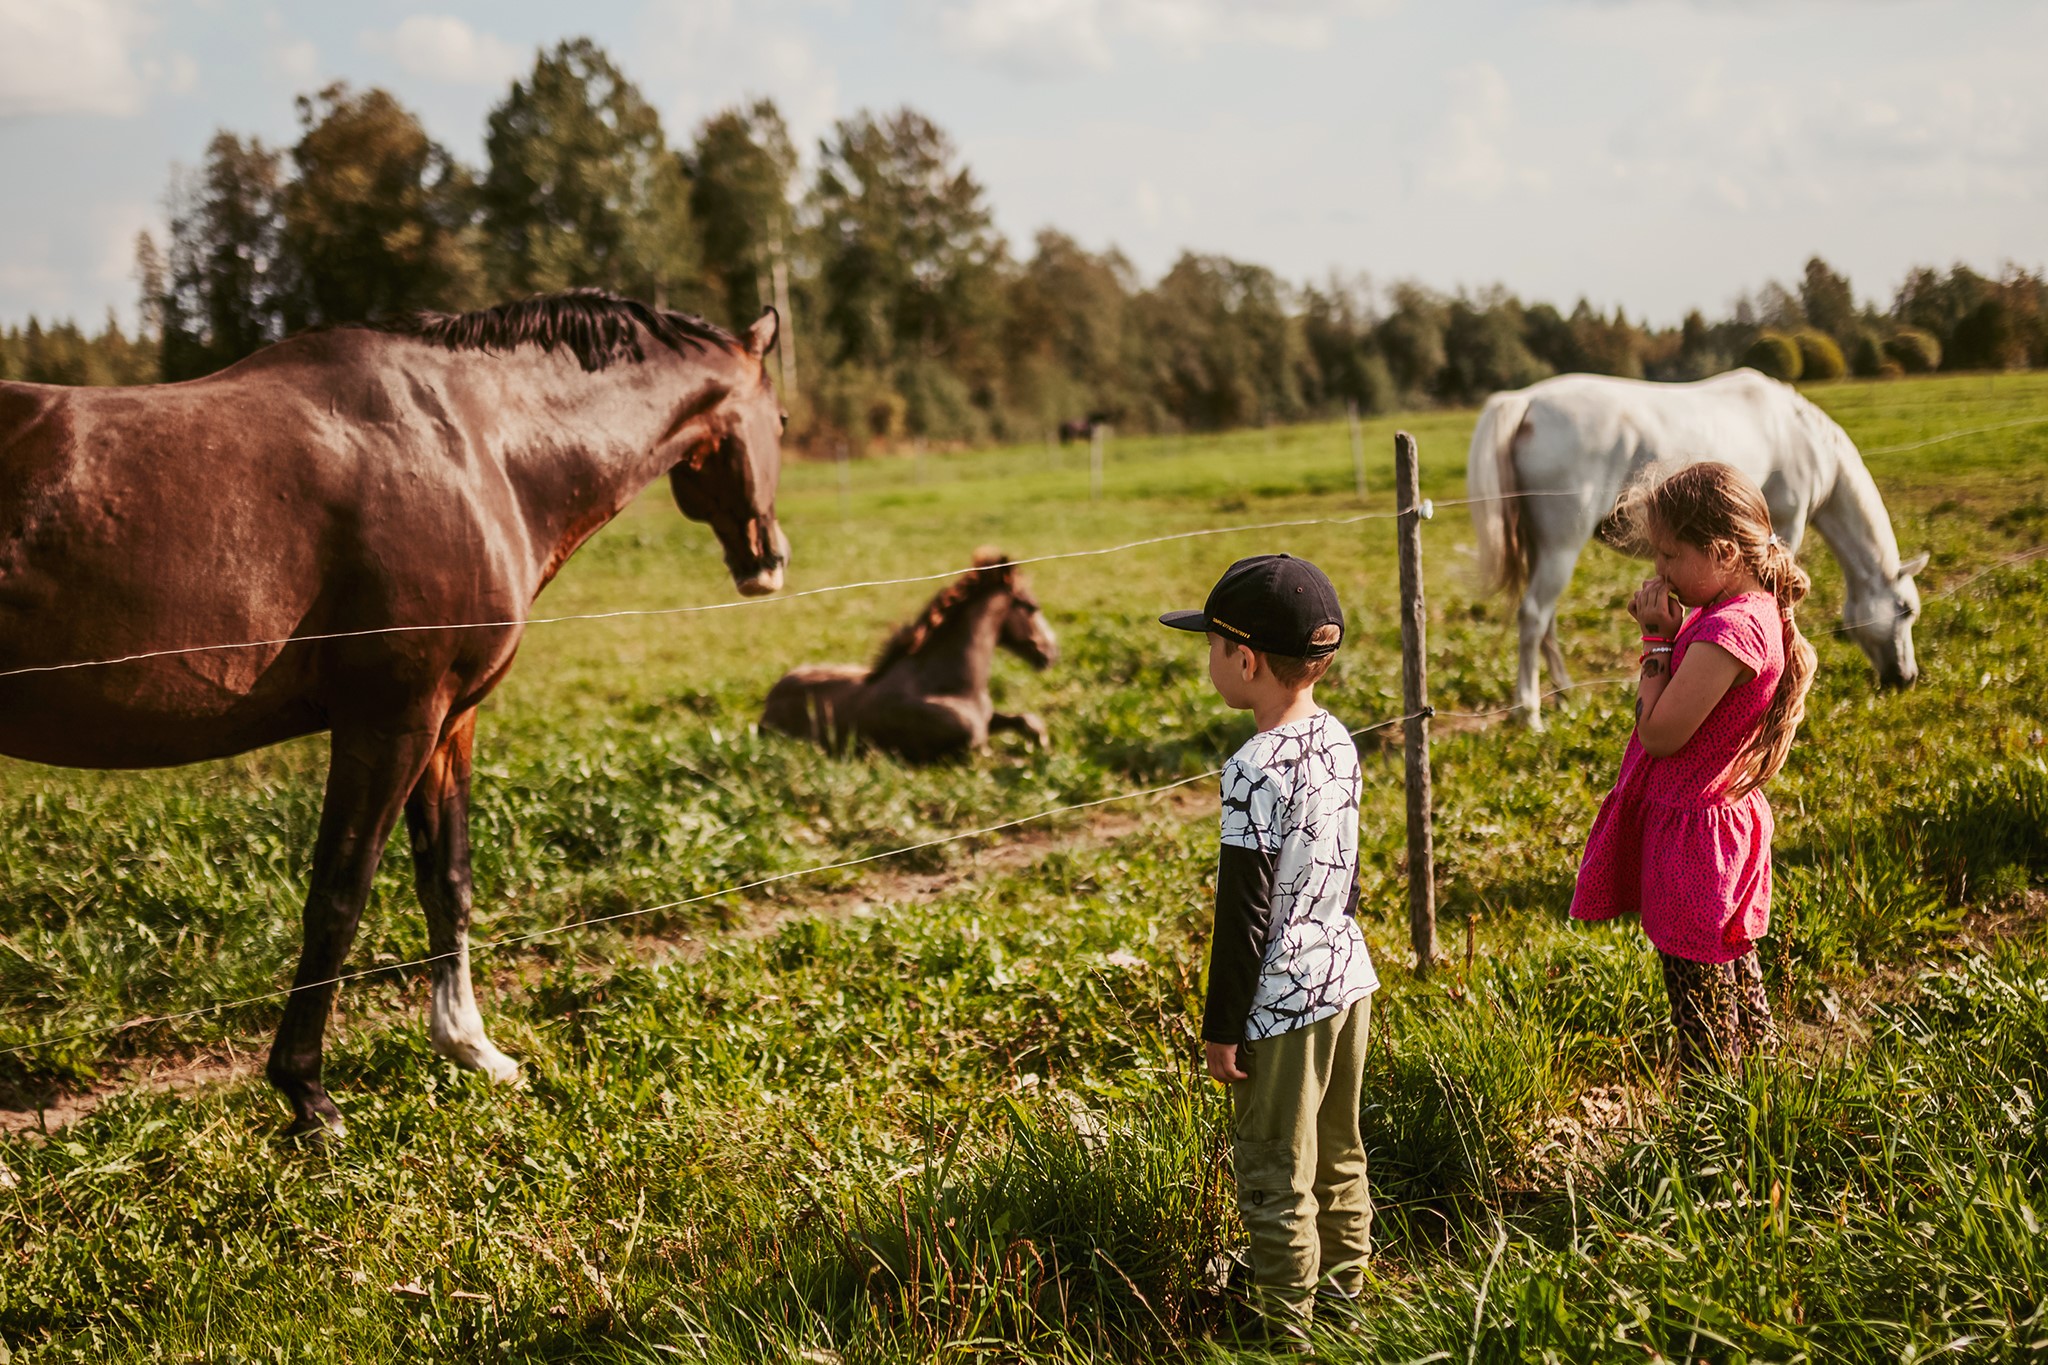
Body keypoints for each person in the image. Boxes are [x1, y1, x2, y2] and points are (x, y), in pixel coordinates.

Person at [1160, 553, 1379, 1340]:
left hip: (1281, 1005)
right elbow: (1344, 867)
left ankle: (1287, 1333)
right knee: (1339, 1153)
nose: (1212, 661)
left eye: (1213, 647)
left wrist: (1221, 1029)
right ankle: (1348, 1308)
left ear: (1245, 660)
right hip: (1347, 978)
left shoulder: (1251, 769)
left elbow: (1244, 914)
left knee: (1276, 1178)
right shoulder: (1338, 738)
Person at [1570, 462, 1819, 1073]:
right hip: (1708, 828)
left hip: (1696, 847)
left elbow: (1659, 734)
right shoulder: (1745, 610)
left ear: (1725, 550)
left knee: (1701, 1018)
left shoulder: (1729, 630)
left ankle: (1716, 1135)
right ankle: (1764, 1102)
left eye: (1670, 554)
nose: (1659, 570)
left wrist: (1657, 643)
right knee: (1734, 984)